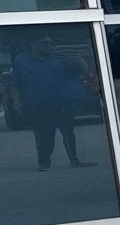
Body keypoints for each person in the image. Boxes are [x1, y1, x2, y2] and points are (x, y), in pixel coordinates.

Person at [11, 36, 95, 171]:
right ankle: (44, 162)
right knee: (44, 134)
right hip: (37, 104)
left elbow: (83, 71)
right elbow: (15, 84)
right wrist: (17, 102)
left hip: (62, 102)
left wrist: (78, 59)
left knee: (68, 131)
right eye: (44, 43)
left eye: (50, 43)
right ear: (33, 44)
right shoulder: (22, 60)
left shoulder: (60, 58)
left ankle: (74, 159)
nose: (48, 46)